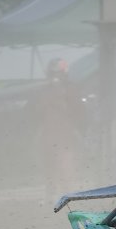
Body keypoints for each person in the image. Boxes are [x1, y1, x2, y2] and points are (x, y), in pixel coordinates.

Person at [34, 58, 86, 204]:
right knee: (49, 166)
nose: (55, 77)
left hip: (66, 134)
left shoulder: (71, 89)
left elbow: (78, 111)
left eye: (57, 74)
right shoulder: (44, 90)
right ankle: (50, 194)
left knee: (66, 166)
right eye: (53, 74)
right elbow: (37, 111)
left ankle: (68, 195)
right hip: (48, 134)